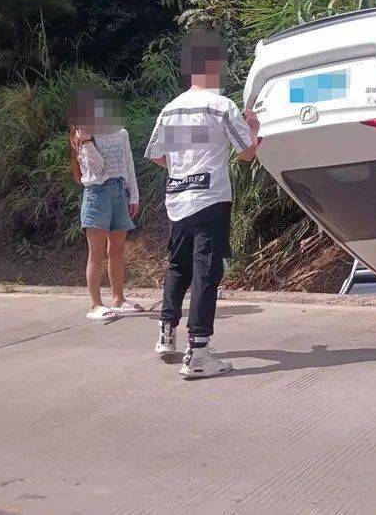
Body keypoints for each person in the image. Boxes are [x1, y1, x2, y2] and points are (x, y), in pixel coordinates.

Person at [145, 32, 260, 378]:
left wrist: (183, 168)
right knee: (206, 272)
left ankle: (167, 334)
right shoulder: (221, 106)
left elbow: (157, 156)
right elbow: (247, 153)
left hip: (177, 199)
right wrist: (255, 127)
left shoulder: (170, 108)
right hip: (210, 199)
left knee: (178, 266)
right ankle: (198, 353)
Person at [67, 88, 143, 320]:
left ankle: (118, 299)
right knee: (96, 253)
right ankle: (95, 305)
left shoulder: (121, 133)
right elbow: (96, 169)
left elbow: (128, 165)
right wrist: (87, 141)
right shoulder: (83, 138)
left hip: (120, 191)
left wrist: (134, 195)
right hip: (97, 193)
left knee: (117, 249)